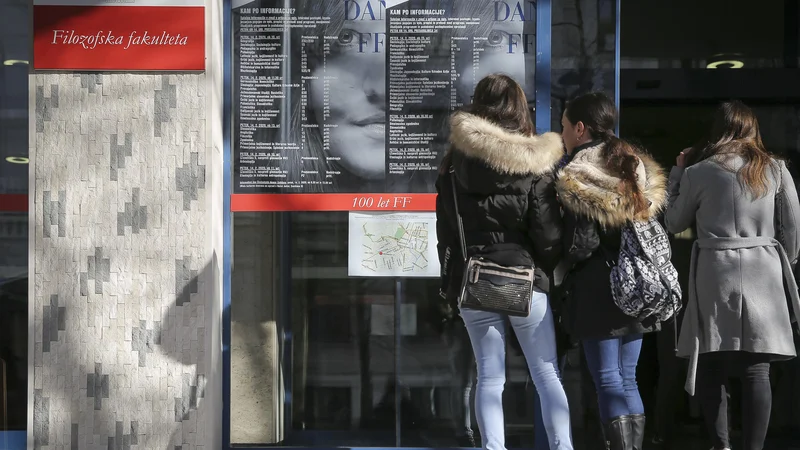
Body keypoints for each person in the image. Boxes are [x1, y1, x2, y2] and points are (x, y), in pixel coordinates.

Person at [436, 73, 573, 450]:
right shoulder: (535, 164)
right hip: (526, 281)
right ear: (519, 109)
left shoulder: (451, 168)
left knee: (489, 379)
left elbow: (446, 232)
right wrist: (549, 270)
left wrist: (451, 282)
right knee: (547, 374)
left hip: (475, 279)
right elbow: (547, 232)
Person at [664, 100, 800, 450]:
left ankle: (720, 445)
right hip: (764, 271)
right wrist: (786, 261)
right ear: (753, 129)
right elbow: (793, 225)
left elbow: (673, 222)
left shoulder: (699, 171)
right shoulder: (776, 170)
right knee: (757, 369)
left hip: (714, 271)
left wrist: (677, 173)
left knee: (712, 362)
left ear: (718, 131)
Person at [556, 92, 666, 450]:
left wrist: (561, 265)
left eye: (563, 127)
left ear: (580, 128)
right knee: (628, 379)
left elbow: (582, 243)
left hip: (597, 286)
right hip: (636, 283)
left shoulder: (578, 173)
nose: (562, 135)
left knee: (607, 379)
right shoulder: (634, 166)